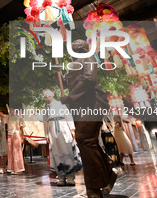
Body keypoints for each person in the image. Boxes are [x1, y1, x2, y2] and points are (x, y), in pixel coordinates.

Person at [59, 40, 117, 198]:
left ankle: (94, 188)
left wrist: (70, 97)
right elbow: (69, 81)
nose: (73, 46)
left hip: (92, 105)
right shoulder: (73, 65)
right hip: (79, 108)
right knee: (88, 142)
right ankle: (107, 170)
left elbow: (89, 79)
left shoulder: (87, 58)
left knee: (84, 140)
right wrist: (57, 76)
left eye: (76, 44)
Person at [42, 89, 82, 186]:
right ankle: (61, 176)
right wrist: (46, 134)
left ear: (53, 94)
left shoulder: (60, 104)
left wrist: (72, 129)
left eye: (48, 93)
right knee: (56, 153)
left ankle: (70, 176)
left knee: (67, 152)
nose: (47, 95)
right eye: (44, 94)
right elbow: (45, 122)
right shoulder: (45, 108)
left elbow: (68, 115)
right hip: (52, 131)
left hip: (63, 128)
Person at [7, 106, 25, 174]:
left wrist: (22, 137)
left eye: (12, 109)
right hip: (10, 135)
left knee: (17, 151)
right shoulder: (8, 117)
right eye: (10, 109)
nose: (11, 110)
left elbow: (21, 128)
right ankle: (12, 168)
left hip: (16, 134)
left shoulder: (19, 117)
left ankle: (18, 168)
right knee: (10, 151)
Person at [0, 109, 8, 174]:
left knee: (3, 152)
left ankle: (4, 167)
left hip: (3, 135)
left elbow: (4, 117)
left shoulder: (4, 118)